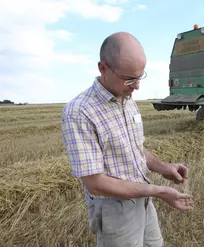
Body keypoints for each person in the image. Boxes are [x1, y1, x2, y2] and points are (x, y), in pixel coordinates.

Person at [61, 32, 194, 247]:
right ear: (103, 68)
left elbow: (135, 148)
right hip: (115, 209)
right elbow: (95, 184)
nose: (137, 86)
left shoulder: (126, 97)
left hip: (143, 197)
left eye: (140, 77)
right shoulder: (79, 112)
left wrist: (163, 168)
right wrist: (159, 191)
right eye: (129, 78)